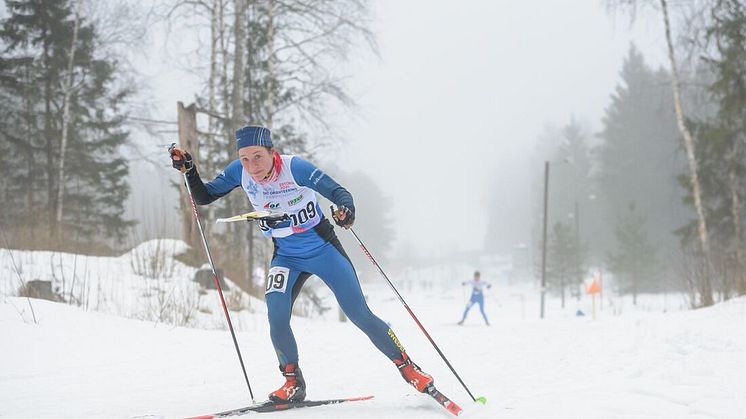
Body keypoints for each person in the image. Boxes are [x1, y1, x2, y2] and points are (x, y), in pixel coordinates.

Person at [169, 125, 434, 402]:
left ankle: (409, 368)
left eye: (258, 156)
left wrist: (346, 211)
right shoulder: (240, 171)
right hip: (286, 256)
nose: (252, 166)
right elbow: (205, 196)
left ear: (273, 152)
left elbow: (340, 194)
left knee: (359, 314)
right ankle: (293, 382)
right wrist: (189, 170)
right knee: (276, 315)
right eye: (245, 159)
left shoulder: (296, 168)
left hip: (323, 250)